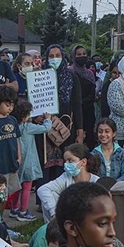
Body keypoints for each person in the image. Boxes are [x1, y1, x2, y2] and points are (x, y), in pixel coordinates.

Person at [42, 44, 84, 176]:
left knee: (65, 164)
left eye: (58, 56)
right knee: (46, 169)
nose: (55, 59)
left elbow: (77, 105)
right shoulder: (39, 77)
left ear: (63, 57)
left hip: (65, 127)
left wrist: (80, 130)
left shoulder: (72, 78)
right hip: (44, 128)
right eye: (51, 56)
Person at [38, 143, 100, 222]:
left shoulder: (96, 181)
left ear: (83, 162)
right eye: (65, 161)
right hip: (68, 218)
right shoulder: (66, 177)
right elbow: (42, 190)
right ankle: (53, 228)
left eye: (70, 160)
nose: (66, 164)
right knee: (49, 197)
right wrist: (54, 212)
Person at [11, 100, 50, 221]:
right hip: (28, 162)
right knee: (27, 187)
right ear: (26, 115)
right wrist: (48, 118)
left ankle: (14, 209)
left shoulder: (14, 126)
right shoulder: (28, 127)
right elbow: (46, 128)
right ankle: (23, 211)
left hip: (17, 160)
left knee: (17, 186)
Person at [72, 44, 98, 148]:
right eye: (79, 54)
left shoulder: (90, 74)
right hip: (74, 112)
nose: (82, 56)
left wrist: (83, 102)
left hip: (88, 111)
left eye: (84, 54)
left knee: (89, 139)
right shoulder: (70, 72)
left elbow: (92, 94)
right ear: (74, 56)